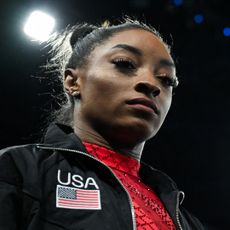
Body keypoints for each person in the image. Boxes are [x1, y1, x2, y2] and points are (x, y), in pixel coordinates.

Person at [0, 18, 205, 230]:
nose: (152, 84)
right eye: (125, 64)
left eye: (166, 79)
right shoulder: (17, 171)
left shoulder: (188, 221)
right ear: (73, 82)